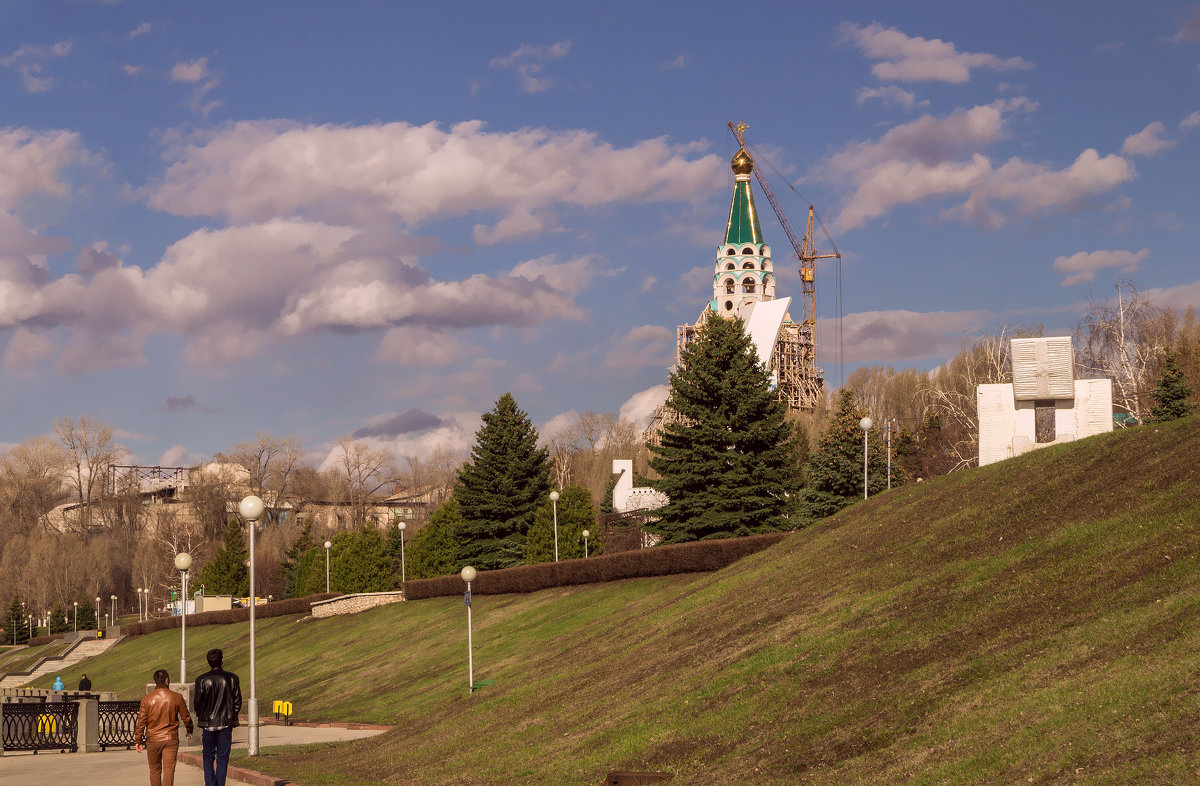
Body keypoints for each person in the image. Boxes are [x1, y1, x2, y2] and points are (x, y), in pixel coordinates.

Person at [134, 669, 193, 786]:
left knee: (155, 770)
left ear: (155, 681)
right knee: (169, 770)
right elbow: (186, 716)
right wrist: (189, 729)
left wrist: (138, 740)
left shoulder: (146, 699)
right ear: (167, 680)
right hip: (170, 739)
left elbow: (141, 721)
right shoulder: (176, 697)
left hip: (153, 739)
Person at [193, 648, 242, 786]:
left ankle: (210, 784)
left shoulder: (201, 680)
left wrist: (202, 716)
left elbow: (197, 702)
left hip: (208, 725)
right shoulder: (232, 678)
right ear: (222, 660)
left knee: (208, 756)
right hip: (225, 724)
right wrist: (232, 718)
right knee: (222, 758)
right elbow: (237, 701)